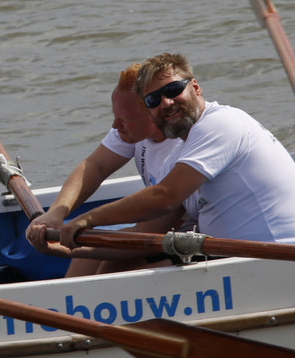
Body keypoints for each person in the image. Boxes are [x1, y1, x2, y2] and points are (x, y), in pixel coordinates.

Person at [61, 53, 295, 253]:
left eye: (173, 90)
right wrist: (70, 245)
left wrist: (87, 219)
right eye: (153, 100)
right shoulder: (181, 147)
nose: (166, 102)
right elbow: (100, 168)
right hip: (236, 262)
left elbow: (164, 197)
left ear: (195, 88)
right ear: (149, 110)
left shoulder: (220, 124)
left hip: (286, 262)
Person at [25, 63, 187, 276]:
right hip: (159, 232)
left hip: (193, 242)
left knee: (109, 268)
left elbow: (144, 237)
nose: (114, 126)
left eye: (123, 120)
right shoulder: (135, 128)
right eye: (115, 116)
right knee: (89, 257)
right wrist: (57, 212)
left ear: (153, 112)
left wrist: (62, 249)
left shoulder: (183, 151)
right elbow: (96, 166)